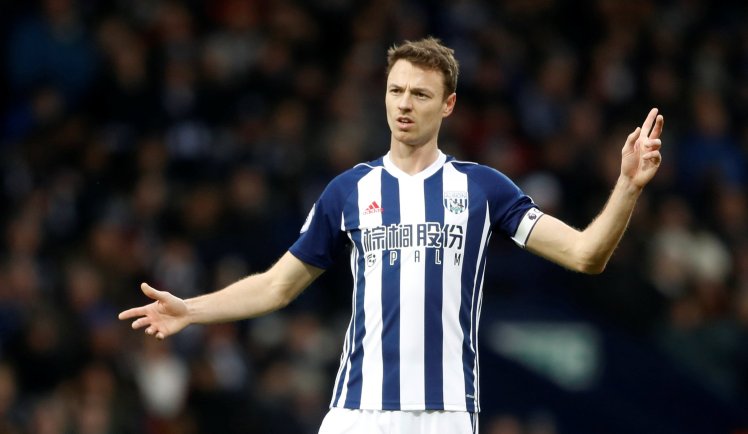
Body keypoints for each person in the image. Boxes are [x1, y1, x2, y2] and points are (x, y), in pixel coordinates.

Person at [119, 37, 664, 434]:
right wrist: (191, 310)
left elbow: (586, 255)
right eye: (396, 90)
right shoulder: (348, 191)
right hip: (358, 412)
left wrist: (626, 186)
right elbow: (276, 286)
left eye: (420, 94)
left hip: (446, 415)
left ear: (448, 104)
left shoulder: (483, 189)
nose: (404, 104)